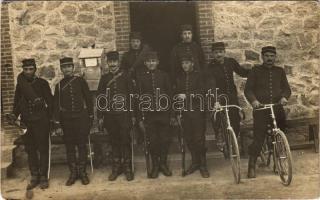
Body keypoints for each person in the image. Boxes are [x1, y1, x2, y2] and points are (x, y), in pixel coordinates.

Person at [244, 46, 291, 178]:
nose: (269, 58)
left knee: (280, 135)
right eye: (267, 56)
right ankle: (252, 165)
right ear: (262, 57)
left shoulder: (280, 71)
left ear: (275, 57)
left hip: (277, 108)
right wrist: (253, 101)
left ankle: (278, 162)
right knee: (258, 138)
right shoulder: (255, 71)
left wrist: (284, 97)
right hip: (261, 110)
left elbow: (287, 89)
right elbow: (248, 90)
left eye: (272, 56)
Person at [12, 58, 53, 189]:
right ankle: (34, 176)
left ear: (35, 70)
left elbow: (50, 103)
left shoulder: (42, 83)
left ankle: (44, 177)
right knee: (31, 150)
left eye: (31, 69)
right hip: (26, 123)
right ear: (23, 70)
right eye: (25, 69)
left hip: (41, 122)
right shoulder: (20, 85)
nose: (28, 72)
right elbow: (17, 102)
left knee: (43, 149)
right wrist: (14, 114)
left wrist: (51, 120)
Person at [53, 57, 93, 186]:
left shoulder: (80, 81)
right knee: (70, 147)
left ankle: (82, 172)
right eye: (64, 67)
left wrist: (90, 117)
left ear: (73, 67)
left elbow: (88, 99)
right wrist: (57, 124)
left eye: (69, 66)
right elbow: (56, 106)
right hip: (66, 121)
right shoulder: (58, 86)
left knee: (82, 145)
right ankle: (73, 173)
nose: (67, 69)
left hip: (81, 119)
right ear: (61, 69)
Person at [97, 51, 135, 181]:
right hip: (110, 116)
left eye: (115, 61)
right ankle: (116, 168)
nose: (112, 64)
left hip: (124, 115)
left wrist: (132, 115)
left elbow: (131, 96)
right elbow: (100, 98)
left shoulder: (126, 77)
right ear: (107, 63)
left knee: (125, 141)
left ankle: (128, 168)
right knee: (114, 141)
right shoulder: (104, 78)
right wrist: (101, 116)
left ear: (118, 62)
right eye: (110, 62)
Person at [137, 51, 174, 178]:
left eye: (154, 61)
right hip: (149, 116)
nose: (151, 63)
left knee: (164, 140)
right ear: (145, 63)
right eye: (149, 61)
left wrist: (172, 114)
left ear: (157, 62)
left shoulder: (164, 76)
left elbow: (170, 95)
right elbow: (138, 98)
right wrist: (139, 117)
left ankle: (163, 164)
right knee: (152, 141)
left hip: (163, 114)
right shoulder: (141, 77)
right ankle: (155, 165)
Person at [207, 42, 250, 150]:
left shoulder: (231, 62)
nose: (219, 55)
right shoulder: (210, 67)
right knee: (216, 118)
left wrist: (255, 71)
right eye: (216, 52)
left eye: (221, 52)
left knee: (235, 119)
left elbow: (242, 72)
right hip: (218, 96)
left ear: (224, 52)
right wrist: (216, 101)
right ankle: (219, 136)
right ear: (212, 54)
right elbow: (211, 84)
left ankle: (235, 142)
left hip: (231, 96)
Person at [174, 53, 209, 178]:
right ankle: (195, 163)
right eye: (183, 63)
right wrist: (177, 113)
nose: (185, 65)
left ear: (192, 63)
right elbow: (176, 95)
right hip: (185, 113)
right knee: (189, 138)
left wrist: (187, 96)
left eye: (187, 63)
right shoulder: (179, 77)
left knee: (199, 139)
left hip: (198, 111)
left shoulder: (199, 76)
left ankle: (203, 165)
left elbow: (202, 91)